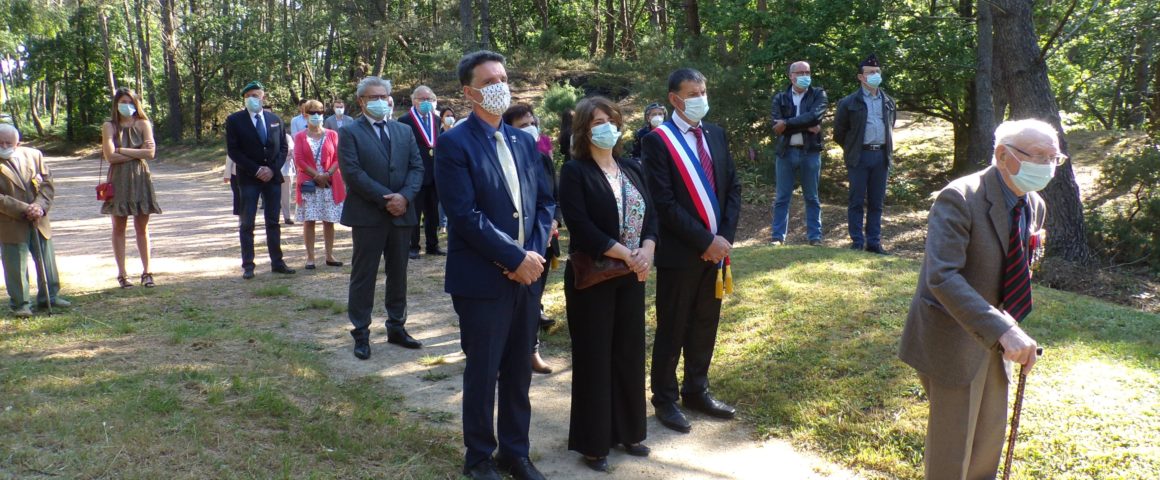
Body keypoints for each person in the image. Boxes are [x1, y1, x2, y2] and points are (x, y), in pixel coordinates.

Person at [899, 119, 1058, 479]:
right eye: (1039, 156)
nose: (1048, 166)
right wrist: (1003, 329)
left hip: (998, 341)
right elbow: (942, 277)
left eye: (1054, 158)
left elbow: (1018, 265)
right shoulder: (959, 198)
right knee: (952, 451)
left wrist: (1006, 330)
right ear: (1003, 155)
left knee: (987, 443)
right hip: (952, 339)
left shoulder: (1034, 203)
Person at [435, 50, 553, 480]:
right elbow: (464, 215)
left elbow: (545, 202)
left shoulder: (526, 141)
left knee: (519, 369)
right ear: (469, 93)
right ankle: (480, 457)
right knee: (484, 372)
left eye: (503, 78)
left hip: (528, 276)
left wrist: (532, 257)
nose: (500, 86)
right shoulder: (453, 143)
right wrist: (514, 258)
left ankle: (515, 452)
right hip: (483, 279)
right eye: (489, 82)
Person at [641, 68, 742, 434]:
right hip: (680, 253)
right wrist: (705, 242)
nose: (701, 98)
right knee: (674, 326)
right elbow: (664, 203)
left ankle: (697, 390)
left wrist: (722, 239)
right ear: (674, 99)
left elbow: (733, 188)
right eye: (693, 93)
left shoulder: (715, 133)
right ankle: (665, 398)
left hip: (716, 253)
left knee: (705, 323)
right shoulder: (658, 141)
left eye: (703, 91)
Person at [559, 96, 656, 472]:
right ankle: (594, 442)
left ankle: (630, 432)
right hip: (594, 278)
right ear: (584, 130)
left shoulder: (631, 167)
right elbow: (581, 226)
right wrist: (627, 254)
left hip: (631, 276)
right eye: (598, 122)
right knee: (595, 357)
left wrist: (646, 250)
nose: (606, 127)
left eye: (611, 120)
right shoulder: (574, 171)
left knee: (629, 353)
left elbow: (652, 216)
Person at [337, 76, 424, 358]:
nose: (380, 101)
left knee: (398, 273)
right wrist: (388, 199)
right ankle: (361, 332)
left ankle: (397, 327)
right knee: (364, 275)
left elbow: (417, 167)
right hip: (368, 215)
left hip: (402, 214)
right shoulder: (349, 132)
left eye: (383, 96)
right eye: (373, 97)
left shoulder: (403, 131)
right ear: (361, 101)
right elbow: (353, 173)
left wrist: (405, 197)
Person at [502, 103, 563, 375]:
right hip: (515, 240)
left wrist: (554, 221)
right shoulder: (505, 155)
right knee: (508, 299)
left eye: (532, 123)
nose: (530, 129)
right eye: (522, 125)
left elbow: (553, 193)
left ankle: (532, 350)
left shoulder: (543, 148)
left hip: (545, 238)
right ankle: (503, 352)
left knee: (534, 297)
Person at [225, 81, 295, 279]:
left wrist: (272, 169)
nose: (252, 99)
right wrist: (256, 170)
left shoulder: (275, 119)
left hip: (272, 178)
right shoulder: (235, 120)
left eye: (255, 95)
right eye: (248, 96)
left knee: (273, 221)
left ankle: (277, 262)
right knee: (247, 222)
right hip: (248, 178)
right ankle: (248, 265)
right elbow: (234, 150)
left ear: (263, 97)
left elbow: (283, 148)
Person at [0, 124, 67, 317]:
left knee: (46, 260)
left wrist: (39, 206)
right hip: (10, 221)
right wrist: (24, 209)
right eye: (0, 143)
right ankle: (20, 304)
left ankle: (50, 297)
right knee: (15, 264)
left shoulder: (34, 155)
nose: (4, 146)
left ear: (18, 143)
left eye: (8, 143)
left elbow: (47, 184)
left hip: (39, 217)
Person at [833, 54, 897, 254]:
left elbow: (891, 126)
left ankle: (874, 243)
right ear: (861, 77)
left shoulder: (889, 102)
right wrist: (853, 148)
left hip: (881, 156)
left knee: (877, 202)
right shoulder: (849, 102)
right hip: (859, 157)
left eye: (877, 71)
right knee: (856, 201)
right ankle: (857, 242)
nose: (875, 75)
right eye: (870, 72)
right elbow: (839, 133)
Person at [100, 87, 162, 288]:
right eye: (123, 102)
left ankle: (147, 272)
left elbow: (150, 153)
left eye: (130, 102)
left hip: (140, 178)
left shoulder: (143, 124)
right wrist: (137, 152)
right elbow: (110, 156)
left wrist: (121, 149)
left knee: (142, 227)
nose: (127, 106)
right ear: (116, 104)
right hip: (118, 179)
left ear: (136, 104)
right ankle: (122, 274)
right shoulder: (109, 126)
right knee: (119, 227)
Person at [770, 61, 828, 246]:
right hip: (786, 153)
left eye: (807, 72)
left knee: (812, 197)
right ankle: (777, 237)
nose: (804, 76)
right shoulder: (780, 98)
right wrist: (805, 124)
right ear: (791, 76)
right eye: (800, 72)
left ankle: (815, 237)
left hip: (810, 152)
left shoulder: (818, 94)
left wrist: (787, 123)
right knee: (782, 197)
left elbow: (814, 116)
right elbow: (776, 127)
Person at [293, 99, 346, 269]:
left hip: (329, 183)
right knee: (309, 221)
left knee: (328, 220)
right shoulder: (300, 136)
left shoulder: (332, 134)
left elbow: (338, 157)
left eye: (320, 112)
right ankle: (310, 257)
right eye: (312, 112)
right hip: (310, 183)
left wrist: (327, 174)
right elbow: (299, 160)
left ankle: (329, 255)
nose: (316, 115)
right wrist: (317, 175)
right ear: (305, 114)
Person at [399, 85, 444, 259]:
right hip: (415, 173)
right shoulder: (405, 120)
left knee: (433, 212)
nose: (426, 102)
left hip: (434, 173)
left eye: (429, 99)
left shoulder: (436, 119)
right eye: (422, 99)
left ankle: (433, 245)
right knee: (415, 211)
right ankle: (413, 246)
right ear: (414, 100)